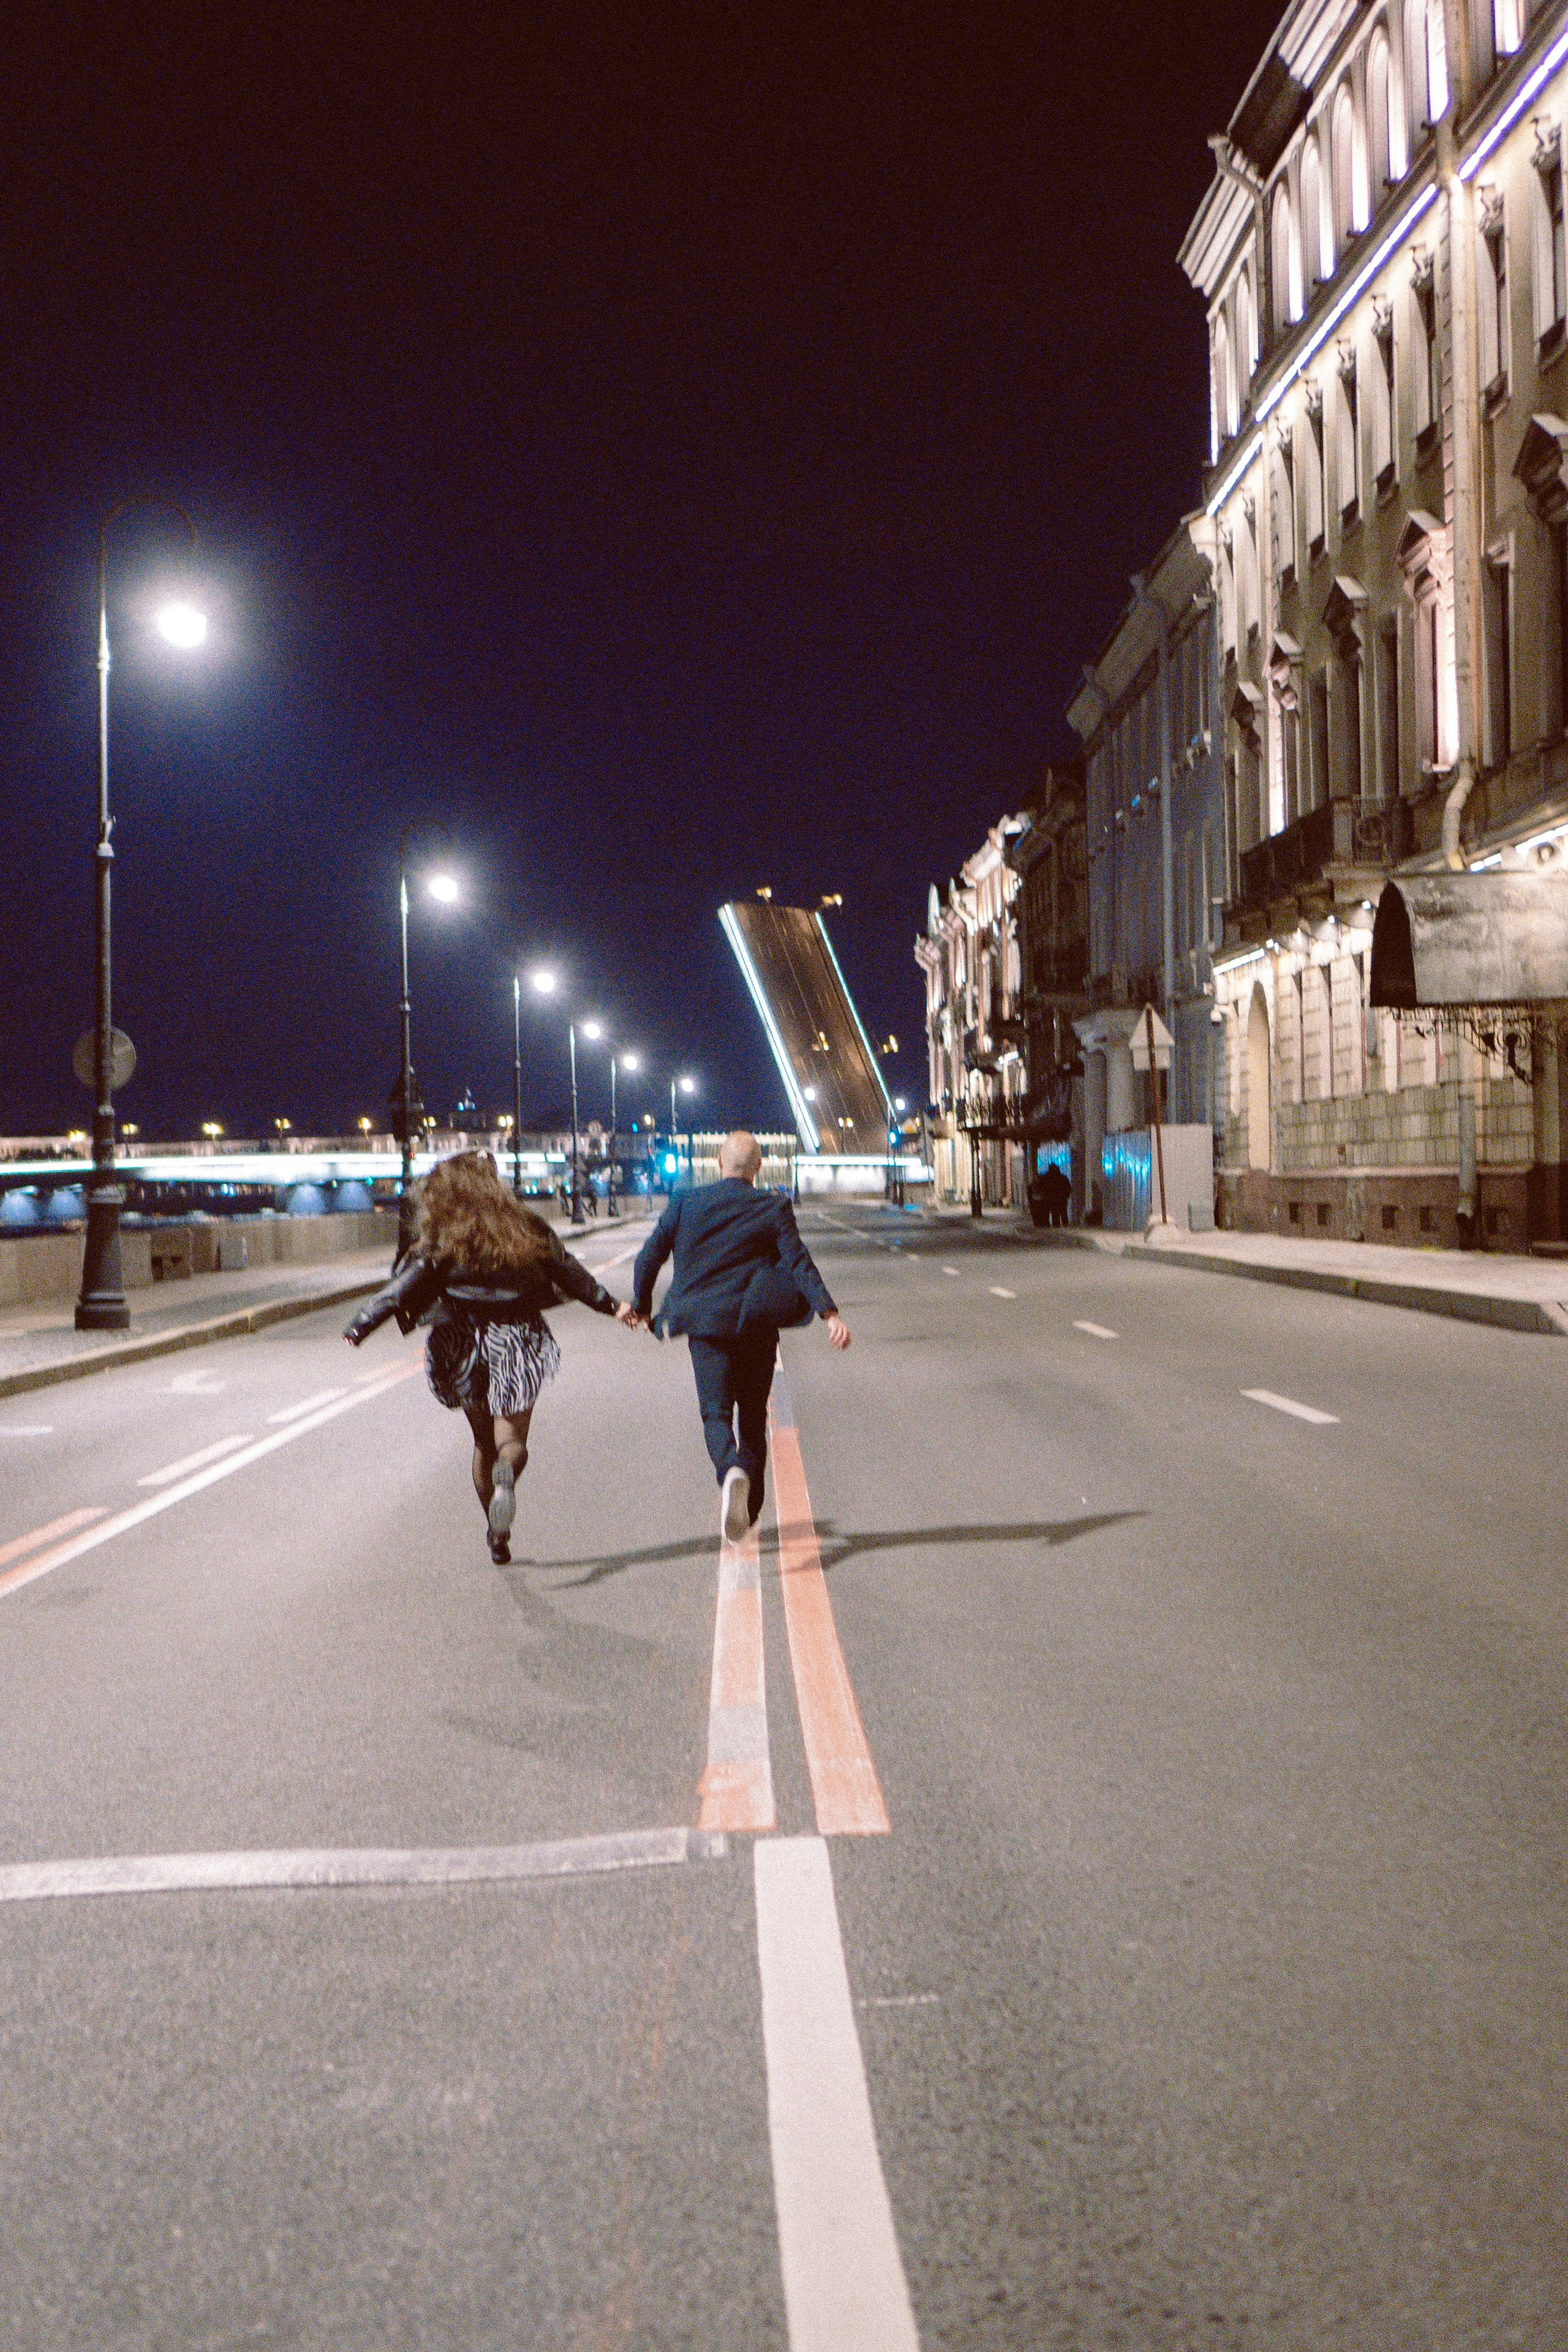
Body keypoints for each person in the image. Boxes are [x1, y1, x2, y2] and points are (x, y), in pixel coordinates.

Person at [345, 1148, 643, 1562]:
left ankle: (497, 1534)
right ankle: (509, 1473)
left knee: (483, 1443)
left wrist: (362, 1324)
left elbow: (404, 1286)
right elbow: (568, 1270)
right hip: (516, 1337)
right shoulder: (526, 1226)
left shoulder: (445, 1235)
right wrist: (613, 1306)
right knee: (512, 1441)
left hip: (461, 1342)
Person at [632, 1128, 850, 1542]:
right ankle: (748, 1516)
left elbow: (649, 1257)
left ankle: (729, 1469)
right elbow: (799, 1261)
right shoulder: (772, 1206)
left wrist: (642, 1307)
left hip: (706, 1327)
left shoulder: (686, 1202)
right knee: (752, 1421)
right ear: (759, 1167)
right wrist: (829, 1313)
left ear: (719, 1163)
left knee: (715, 1413)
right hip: (755, 1328)